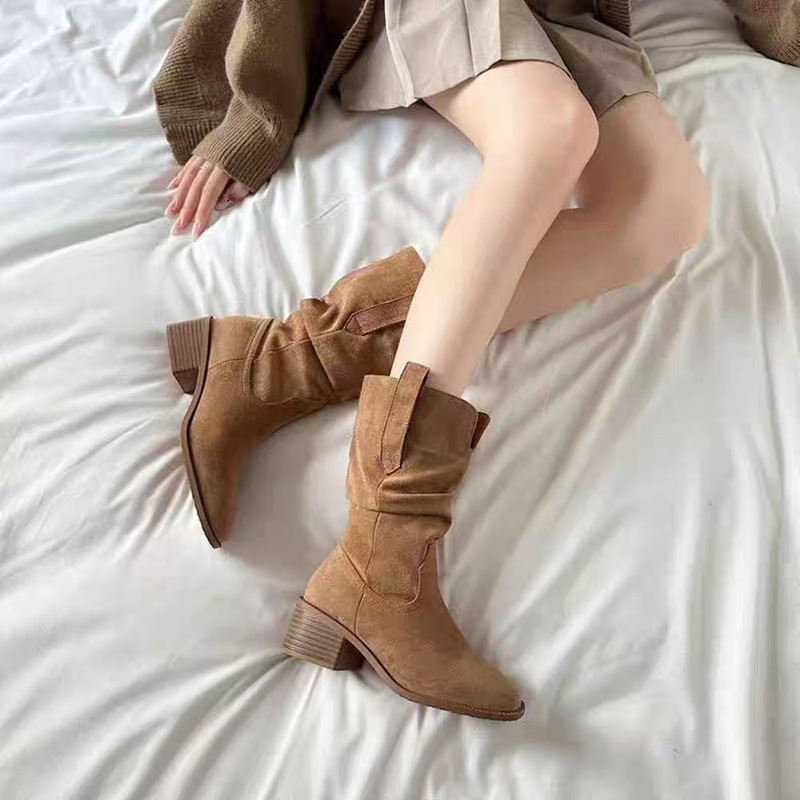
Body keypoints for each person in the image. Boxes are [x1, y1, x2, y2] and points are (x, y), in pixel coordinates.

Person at [159, 0, 708, 720]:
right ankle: (383, 558)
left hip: (572, 15)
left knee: (668, 208)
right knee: (549, 131)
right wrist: (255, 111)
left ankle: (280, 361)